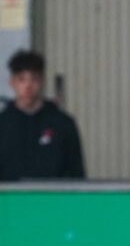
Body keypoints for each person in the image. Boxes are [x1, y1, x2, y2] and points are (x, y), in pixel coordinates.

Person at [0, 49, 85, 181]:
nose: (28, 86)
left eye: (34, 79)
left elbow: (76, 172)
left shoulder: (62, 123)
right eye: (22, 79)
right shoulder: (3, 124)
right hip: (10, 200)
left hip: (54, 199)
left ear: (41, 81)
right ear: (13, 82)